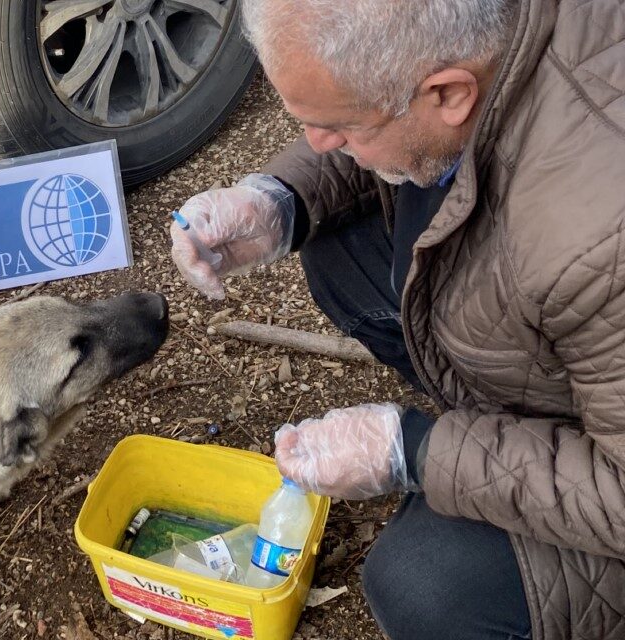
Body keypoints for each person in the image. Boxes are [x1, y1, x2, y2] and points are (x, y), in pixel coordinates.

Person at [169, 0, 625, 638]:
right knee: (339, 251)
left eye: (340, 130)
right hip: (583, 349)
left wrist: (415, 450)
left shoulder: (602, 235)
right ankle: (508, 420)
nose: (319, 143)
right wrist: (281, 200)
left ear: (448, 93)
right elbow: (379, 101)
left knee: (424, 583)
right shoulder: (468, 51)